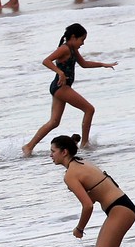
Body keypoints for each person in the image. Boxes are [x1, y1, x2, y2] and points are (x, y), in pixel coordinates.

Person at [49, 134, 135, 247]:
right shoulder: (81, 162)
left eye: (53, 151)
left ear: (64, 152)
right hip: (123, 206)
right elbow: (99, 191)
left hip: (120, 209)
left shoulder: (70, 175)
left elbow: (88, 205)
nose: (50, 155)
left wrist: (79, 228)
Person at [22, 23, 118, 156]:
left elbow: (84, 64)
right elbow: (46, 61)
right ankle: (85, 144)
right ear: (73, 37)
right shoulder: (65, 48)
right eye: (82, 40)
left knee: (54, 122)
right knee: (89, 109)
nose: (82, 43)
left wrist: (102, 64)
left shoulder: (73, 49)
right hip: (61, 87)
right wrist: (60, 72)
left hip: (59, 87)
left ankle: (29, 146)